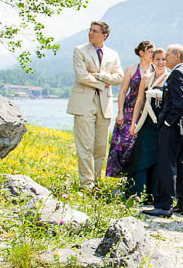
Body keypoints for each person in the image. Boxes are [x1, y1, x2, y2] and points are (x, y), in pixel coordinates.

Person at [66, 21, 124, 189]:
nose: (90, 33)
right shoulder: (80, 50)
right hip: (84, 103)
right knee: (85, 145)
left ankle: (97, 181)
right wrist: (103, 83)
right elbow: (82, 76)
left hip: (104, 105)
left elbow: (119, 77)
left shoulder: (113, 54)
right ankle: (87, 184)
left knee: (100, 147)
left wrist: (100, 76)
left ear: (104, 35)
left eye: (95, 31)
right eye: (90, 30)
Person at [143, 45, 183, 217]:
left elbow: (179, 103)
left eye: (169, 55)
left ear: (177, 56)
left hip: (173, 127)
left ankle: (165, 205)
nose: (165, 58)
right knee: (181, 165)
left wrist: (166, 123)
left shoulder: (178, 73)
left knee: (167, 165)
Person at [106, 41, 154, 179]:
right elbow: (122, 91)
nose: (152, 54)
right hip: (129, 110)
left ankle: (137, 177)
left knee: (140, 144)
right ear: (141, 53)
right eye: (150, 51)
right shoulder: (132, 69)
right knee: (124, 143)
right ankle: (120, 175)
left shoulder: (155, 70)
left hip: (147, 111)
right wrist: (120, 111)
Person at [128, 49, 170, 201]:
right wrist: (134, 123)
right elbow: (140, 101)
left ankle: (155, 194)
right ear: (152, 60)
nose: (160, 62)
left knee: (159, 157)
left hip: (161, 122)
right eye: (157, 59)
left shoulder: (170, 78)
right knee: (142, 155)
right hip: (147, 122)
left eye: (163, 59)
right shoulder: (146, 78)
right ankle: (138, 192)